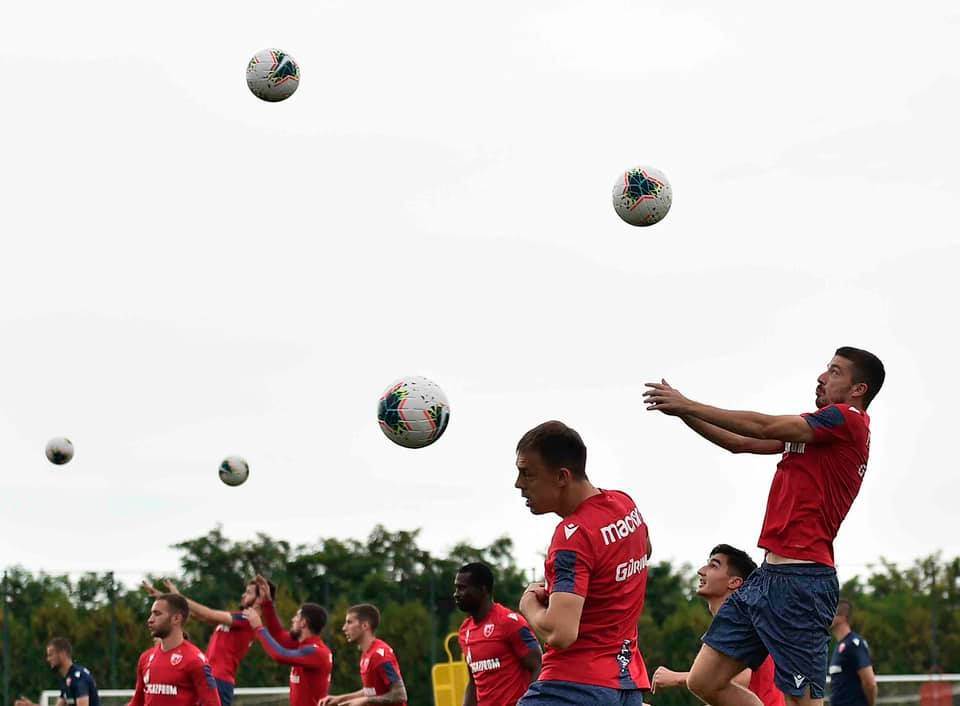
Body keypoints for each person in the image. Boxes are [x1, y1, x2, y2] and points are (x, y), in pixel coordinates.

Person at [643, 346, 885, 706]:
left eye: (834, 372)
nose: (822, 377)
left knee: (802, 701)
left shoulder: (847, 419)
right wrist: (682, 413)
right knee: (705, 680)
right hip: (766, 579)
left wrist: (688, 403)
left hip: (803, 583)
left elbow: (765, 425)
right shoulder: (818, 433)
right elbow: (740, 442)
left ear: (857, 390)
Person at [514, 421, 652, 706]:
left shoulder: (572, 536)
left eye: (527, 474)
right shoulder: (624, 505)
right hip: (626, 687)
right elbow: (645, 549)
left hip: (573, 687)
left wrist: (528, 605)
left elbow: (561, 633)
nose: (519, 484)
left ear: (562, 476)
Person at [651, 545, 784, 706]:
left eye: (713, 565)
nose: (701, 570)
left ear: (734, 582)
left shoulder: (743, 628)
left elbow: (739, 679)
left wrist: (678, 678)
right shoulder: (731, 629)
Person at [142, 577, 275, 706]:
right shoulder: (240, 619)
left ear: (260, 597)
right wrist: (167, 601)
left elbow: (207, 613)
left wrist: (178, 598)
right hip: (211, 679)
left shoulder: (246, 619)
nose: (243, 595)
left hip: (219, 681)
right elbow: (195, 615)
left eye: (249, 592)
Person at [455, 562, 542, 705]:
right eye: (456, 588)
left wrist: (529, 703)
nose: (456, 594)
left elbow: (538, 665)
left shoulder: (510, 622)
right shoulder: (465, 631)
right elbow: (474, 683)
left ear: (483, 589)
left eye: (462, 588)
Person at [243, 576, 333, 706]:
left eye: (296, 616)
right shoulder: (303, 645)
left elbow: (280, 655)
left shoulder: (315, 651)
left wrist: (258, 628)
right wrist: (267, 602)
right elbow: (278, 635)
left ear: (303, 623)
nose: (293, 620)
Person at [127, 593, 221, 706]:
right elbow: (137, 702)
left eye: (157, 614)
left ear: (176, 618)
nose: (150, 620)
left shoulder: (195, 660)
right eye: (151, 614)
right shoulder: (145, 658)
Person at [319, 604, 407, 706]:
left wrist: (365, 701)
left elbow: (400, 695)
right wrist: (339, 699)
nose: (344, 628)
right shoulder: (367, 654)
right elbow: (371, 691)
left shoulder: (381, 655)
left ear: (365, 625)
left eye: (349, 622)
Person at [15, 637, 101, 706]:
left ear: (62, 654)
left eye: (50, 655)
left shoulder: (78, 677)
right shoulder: (67, 679)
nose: (48, 659)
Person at [829, 600, 877, 706]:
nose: (826, 617)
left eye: (830, 613)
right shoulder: (839, 646)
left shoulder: (854, 644)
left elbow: (870, 683)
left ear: (842, 617)